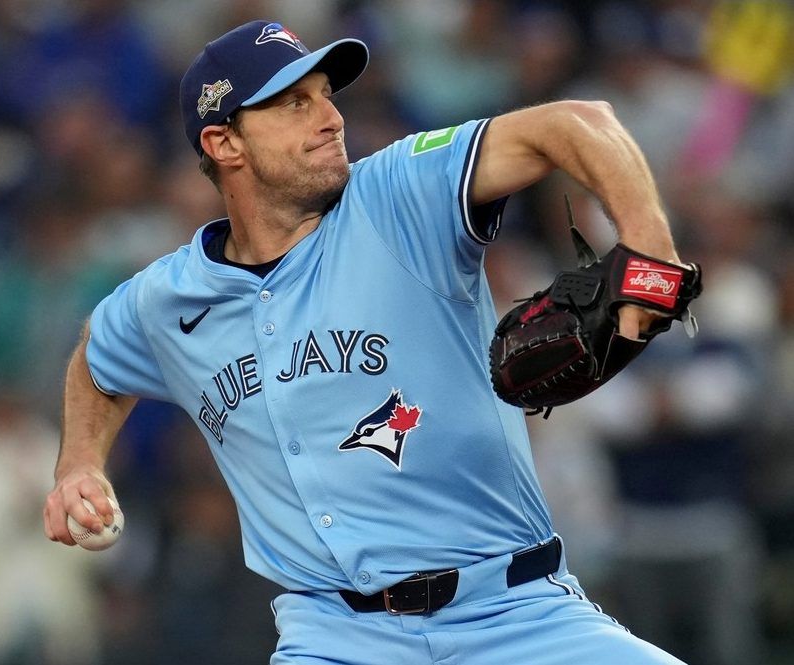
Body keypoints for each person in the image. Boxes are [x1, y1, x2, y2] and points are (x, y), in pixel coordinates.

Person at [44, 19, 690, 664]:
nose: (329, 118)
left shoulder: (397, 196)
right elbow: (98, 358)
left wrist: (649, 250)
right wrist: (79, 463)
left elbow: (576, 122)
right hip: (334, 639)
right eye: (295, 103)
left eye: (327, 94)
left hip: (517, 616)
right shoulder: (168, 297)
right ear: (223, 141)